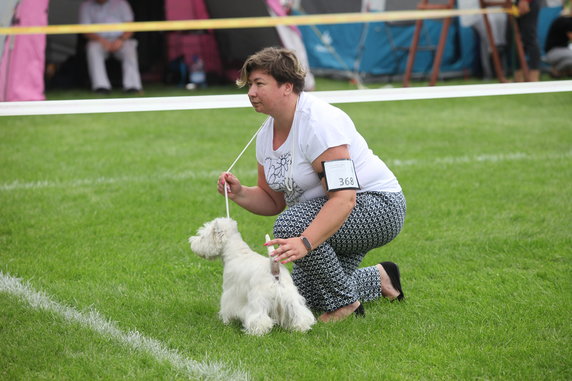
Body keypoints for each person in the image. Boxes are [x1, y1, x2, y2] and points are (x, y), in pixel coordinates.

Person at [217, 47, 406, 323]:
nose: (251, 92)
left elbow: (344, 198)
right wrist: (240, 193)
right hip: (338, 212)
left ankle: (347, 306)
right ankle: (381, 278)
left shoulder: (320, 123)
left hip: (378, 208)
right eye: (249, 85)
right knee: (307, 297)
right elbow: (273, 201)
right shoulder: (265, 133)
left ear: (287, 87)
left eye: (259, 84)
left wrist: (305, 242)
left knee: (290, 227)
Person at [79, 0, 143, 94]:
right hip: (98, 40)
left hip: (121, 39)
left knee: (130, 48)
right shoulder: (86, 5)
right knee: (92, 48)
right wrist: (102, 41)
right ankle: (101, 86)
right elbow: (84, 30)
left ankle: (132, 86)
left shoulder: (121, 3)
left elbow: (130, 26)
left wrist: (121, 39)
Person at [514, 0, 541, 81]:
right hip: (514, 3)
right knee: (517, 40)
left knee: (529, 38)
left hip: (527, 3)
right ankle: (519, 76)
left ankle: (534, 75)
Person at [544, 5, 572, 78]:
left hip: (557, 51)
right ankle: (555, 70)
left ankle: (565, 72)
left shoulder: (563, 19)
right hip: (553, 52)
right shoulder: (567, 21)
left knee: (569, 59)